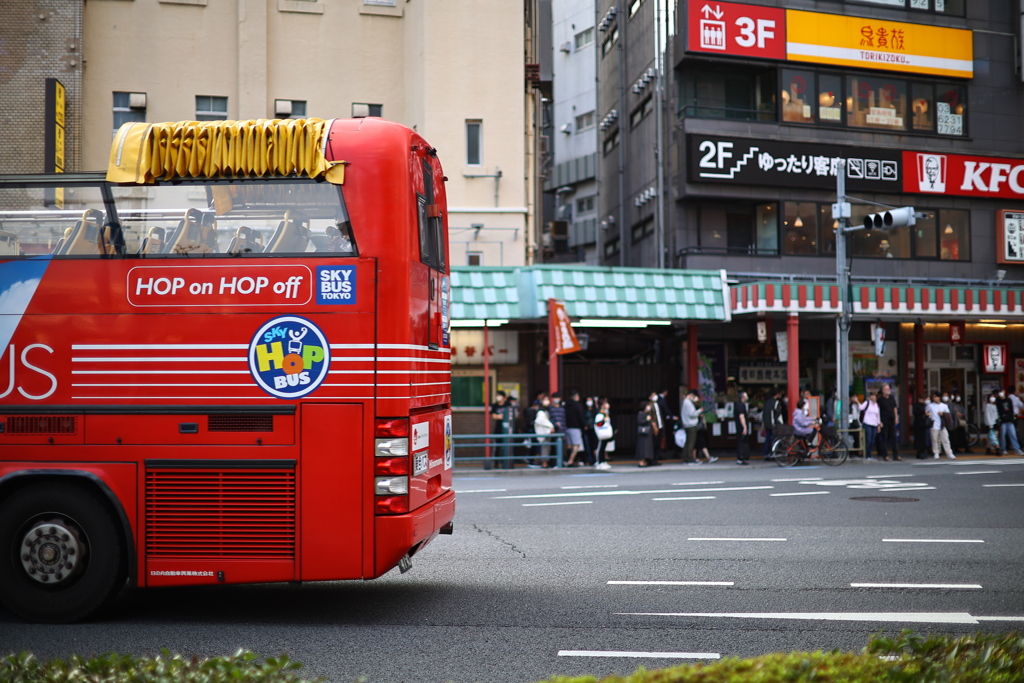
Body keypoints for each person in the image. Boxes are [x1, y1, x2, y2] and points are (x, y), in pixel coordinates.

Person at [925, 391, 955, 459]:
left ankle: (949, 453)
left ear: (939, 397)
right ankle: (936, 453)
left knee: (945, 439)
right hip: (934, 425)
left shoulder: (944, 406)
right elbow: (926, 412)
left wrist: (943, 414)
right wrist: (928, 415)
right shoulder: (930, 406)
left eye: (935, 397)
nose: (934, 398)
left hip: (942, 425)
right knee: (935, 439)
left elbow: (948, 415)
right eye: (933, 397)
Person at [877, 383, 901, 461]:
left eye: (888, 389)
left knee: (894, 438)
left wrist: (896, 418)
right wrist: (879, 421)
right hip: (884, 421)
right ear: (883, 391)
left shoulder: (891, 398)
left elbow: (895, 408)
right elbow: (877, 411)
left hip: (891, 420)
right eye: (886, 389)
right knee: (884, 438)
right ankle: (885, 455)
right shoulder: (880, 400)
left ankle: (896, 455)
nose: (888, 391)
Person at [996, 389, 1023, 455]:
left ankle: (1017, 449)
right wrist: (1000, 421)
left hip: (1010, 421)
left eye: (1002, 391)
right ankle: (1003, 449)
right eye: (999, 392)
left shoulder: (1008, 400)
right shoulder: (998, 401)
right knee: (1003, 436)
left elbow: (1011, 409)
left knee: (1013, 435)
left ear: (1004, 392)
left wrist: (1012, 418)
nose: (1001, 393)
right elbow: (998, 411)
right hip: (1003, 421)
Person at [564, 390, 586, 467]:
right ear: (576, 397)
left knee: (569, 445)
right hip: (576, 428)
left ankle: (566, 460)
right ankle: (570, 461)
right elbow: (581, 417)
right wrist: (583, 426)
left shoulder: (566, 405)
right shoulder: (578, 406)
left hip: (567, 428)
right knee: (576, 445)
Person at [679, 389, 701, 464]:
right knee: (691, 443)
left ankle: (686, 458)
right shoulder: (688, 403)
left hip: (687, 424)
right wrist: (699, 411)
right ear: (691, 395)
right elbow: (692, 414)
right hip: (691, 425)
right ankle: (689, 459)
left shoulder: (685, 402)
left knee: (687, 442)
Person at [762, 387, 784, 460]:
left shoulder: (766, 402)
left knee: (768, 438)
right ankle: (772, 453)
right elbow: (778, 414)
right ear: (776, 394)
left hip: (767, 423)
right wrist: (781, 423)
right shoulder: (776, 402)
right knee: (774, 439)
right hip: (773, 424)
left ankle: (766, 454)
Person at [533, 396, 555, 468]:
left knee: (546, 448)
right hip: (544, 432)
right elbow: (540, 421)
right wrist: (551, 426)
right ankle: (544, 463)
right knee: (544, 448)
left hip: (546, 432)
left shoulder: (548, 410)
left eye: (547, 399)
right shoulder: (541, 411)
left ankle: (545, 462)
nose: (546, 401)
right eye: (545, 400)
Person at [593, 398, 614, 469]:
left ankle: (603, 461)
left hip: (605, 433)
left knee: (603, 448)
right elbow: (598, 424)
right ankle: (599, 462)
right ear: (602, 405)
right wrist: (603, 421)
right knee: (600, 448)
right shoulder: (600, 414)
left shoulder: (605, 413)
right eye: (605, 404)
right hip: (601, 433)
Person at [636, 400, 657, 467]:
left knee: (646, 448)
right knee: (643, 448)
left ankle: (644, 461)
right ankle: (641, 462)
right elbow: (640, 422)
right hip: (643, 433)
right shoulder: (641, 413)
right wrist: (646, 419)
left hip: (647, 433)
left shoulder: (647, 414)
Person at [861, 391, 881, 461]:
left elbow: (878, 415)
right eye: (871, 395)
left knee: (872, 440)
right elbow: (860, 408)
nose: (872, 397)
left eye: (874, 395)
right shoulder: (867, 403)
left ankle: (869, 454)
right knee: (868, 439)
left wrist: (879, 425)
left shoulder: (877, 405)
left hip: (874, 424)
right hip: (867, 423)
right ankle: (867, 455)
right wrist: (857, 401)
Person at [548, 392, 568, 464]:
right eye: (554, 398)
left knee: (562, 448)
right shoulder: (550, 408)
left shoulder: (563, 408)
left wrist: (565, 431)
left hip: (562, 430)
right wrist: (554, 424)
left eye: (557, 398)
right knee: (554, 447)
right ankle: (554, 463)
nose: (556, 399)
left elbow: (565, 419)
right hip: (554, 430)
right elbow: (549, 419)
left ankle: (561, 462)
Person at [912, 393, 930, 460]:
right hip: (918, 423)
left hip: (924, 423)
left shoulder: (925, 405)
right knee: (919, 438)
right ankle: (919, 452)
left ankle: (923, 451)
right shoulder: (916, 405)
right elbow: (915, 412)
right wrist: (923, 412)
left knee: (923, 439)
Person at [735, 390, 750, 465]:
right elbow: (742, 416)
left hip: (739, 426)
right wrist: (745, 427)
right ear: (743, 398)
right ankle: (741, 457)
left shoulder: (740, 404)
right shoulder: (740, 405)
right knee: (742, 442)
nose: (747, 397)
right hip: (741, 426)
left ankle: (742, 457)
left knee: (742, 441)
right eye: (746, 396)